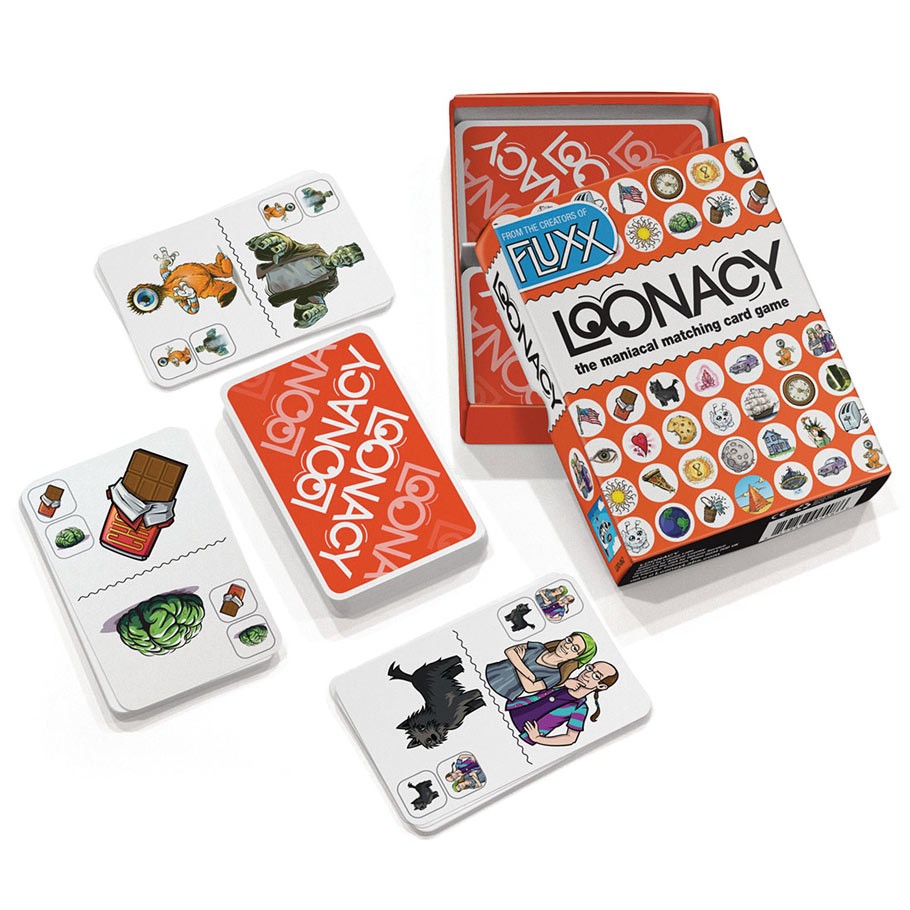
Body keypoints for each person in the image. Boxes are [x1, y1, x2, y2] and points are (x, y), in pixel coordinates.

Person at [506, 661, 619, 747]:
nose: (588, 674)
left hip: (521, 733)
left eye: (596, 676)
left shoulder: (580, 708)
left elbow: (571, 738)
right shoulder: (564, 679)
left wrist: (538, 738)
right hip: (511, 710)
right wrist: (563, 683)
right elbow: (536, 685)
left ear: (601, 686)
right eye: (590, 668)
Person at [485, 633, 597, 701]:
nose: (567, 646)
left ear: (577, 657)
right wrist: (529, 675)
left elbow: (530, 688)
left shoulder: (556, 675)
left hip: (503, 691)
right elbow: (509, 651)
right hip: (491, 672)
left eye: (574, 648)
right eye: (569, 640)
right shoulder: (538, 646)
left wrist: (520, 661)